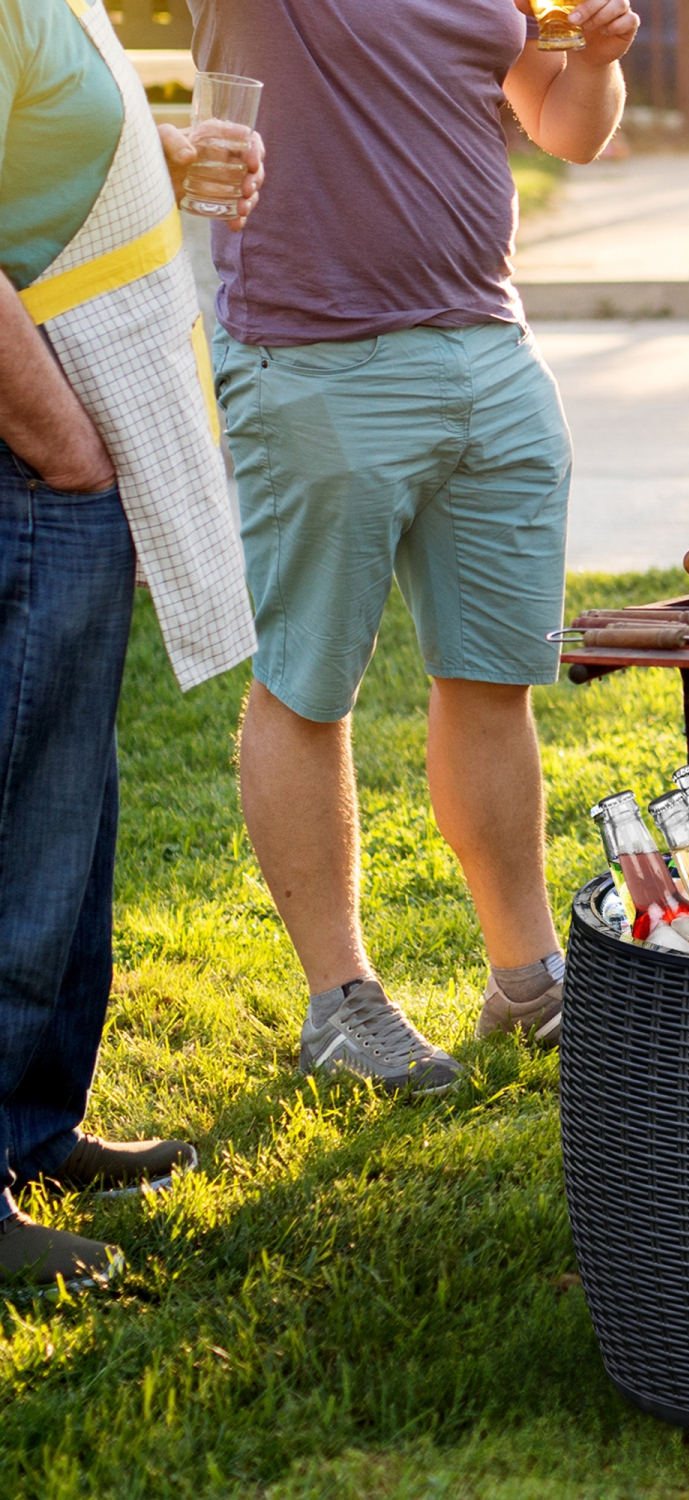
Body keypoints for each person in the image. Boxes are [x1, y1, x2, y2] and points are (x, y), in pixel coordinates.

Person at [191, 0, 639, 1091]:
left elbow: (566, 125)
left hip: (488, 346)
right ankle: (341, 1004)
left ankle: (528, 981)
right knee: (308, 683)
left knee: (495, 676)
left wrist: (596, 59)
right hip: (312, 355)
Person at [0, 0, 263, 1287]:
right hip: (31, 450)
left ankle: (32, 1123)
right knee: (14, 816)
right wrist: (60, 440)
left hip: (61, 446)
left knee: (68, 803)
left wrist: (155, 150)